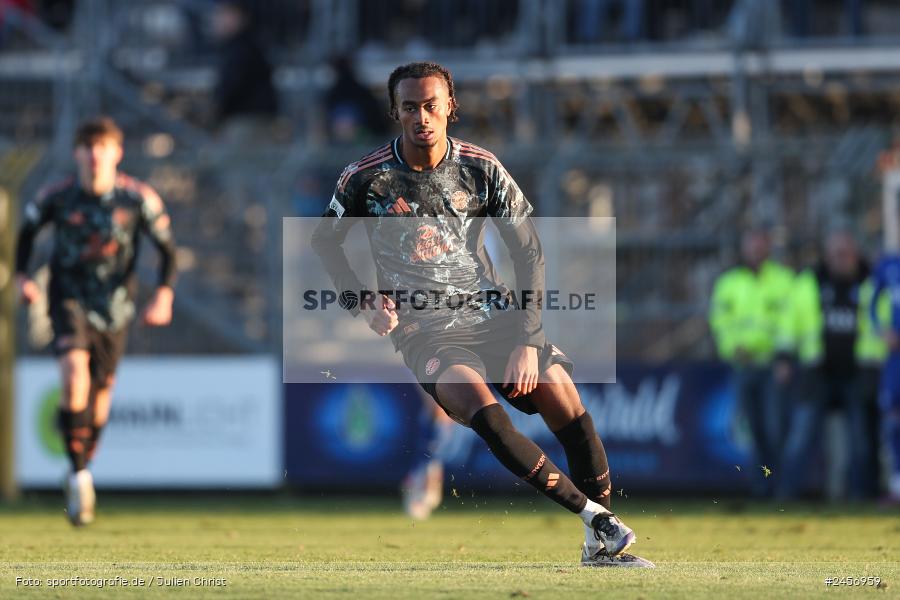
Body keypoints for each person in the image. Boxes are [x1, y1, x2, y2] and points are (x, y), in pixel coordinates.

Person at [310, 62, 652, 568]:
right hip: (424, 330)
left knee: (571, 412)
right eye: (410, 108)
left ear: (450, 106)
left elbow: (529, 254)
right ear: (394, 112)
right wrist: (361, 302)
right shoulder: (367, 178)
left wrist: (527, 340)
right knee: (487, 417)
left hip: (494, 319)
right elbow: (324, 241)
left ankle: (602, 548)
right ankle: (595, 520)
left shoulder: (481, 167)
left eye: (431, 105)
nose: (422, 117)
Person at [15, 116, 176, 526]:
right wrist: (22, 278)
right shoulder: (59, 196)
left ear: (116, 153)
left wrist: (163, 293)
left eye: (102, 146)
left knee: (101, 393)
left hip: (115, 306)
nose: (94, 154)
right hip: (68, 297)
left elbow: (168, 249)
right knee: (74, 374)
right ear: (77, 154)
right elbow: (27, 233)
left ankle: (82, 460)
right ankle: (79, 475)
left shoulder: (137, 199)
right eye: (87, 147)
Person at [777, 229, 883, 500]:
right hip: (817, 374)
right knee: (800, 438)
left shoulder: (872, 282)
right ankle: (784, 496)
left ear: (855, 254)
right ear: (827, 255)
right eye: (836, 253)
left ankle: (863, 496)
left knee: (861, 440)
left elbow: (885, 325)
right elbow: (790, 324)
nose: (841, 259)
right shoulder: (809, 282)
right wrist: (785, 358)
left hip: (858, 373)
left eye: (846, 253)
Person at [709, 226, 794, 497]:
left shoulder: (783, 280)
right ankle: (762, 486)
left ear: (768, 248)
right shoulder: (729, 283)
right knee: (754, 430)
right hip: (743, 365)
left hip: (773, 365)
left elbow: (790, 321)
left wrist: (784, 356)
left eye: (760, 246)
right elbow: (720, 322)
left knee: (775, 427)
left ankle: (782, 486)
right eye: (752, 247)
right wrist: (734, 348)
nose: (756, 252)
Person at [869, 252, 900, 504]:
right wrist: (882, 330)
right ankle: (897, 484)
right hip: (895, 358)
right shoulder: (887, 266)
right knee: (892, 419)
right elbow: (870, 305)